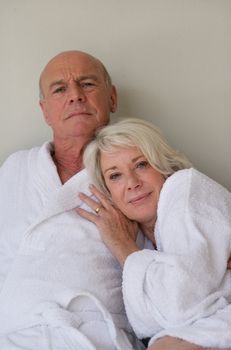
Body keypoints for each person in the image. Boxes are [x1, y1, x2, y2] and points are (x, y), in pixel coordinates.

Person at [0, 51, 145, 350]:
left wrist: (124, 245)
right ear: (45, 111)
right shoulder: (15, 168)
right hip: (13, 331)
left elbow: (197, 236)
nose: (75, 96)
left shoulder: (139, 168)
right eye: (60, 89)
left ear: (112, 98)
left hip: (96, 336)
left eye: (87, 84)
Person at [77, 117, 231, 350]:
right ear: (108, 193)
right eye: (115, 175)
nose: (132, 183)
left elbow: (179, 303)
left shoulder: (184, 190)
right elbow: (152, 324)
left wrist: (123, 248)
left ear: (162, 165)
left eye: (141, 164)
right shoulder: (145, 236)